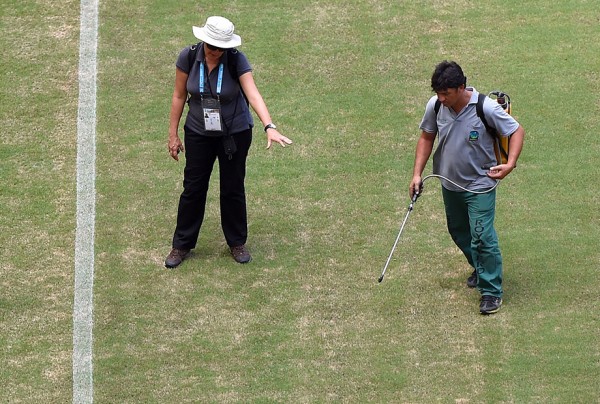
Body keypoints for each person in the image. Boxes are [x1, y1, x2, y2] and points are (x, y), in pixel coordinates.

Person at [165, 16, 292, 268]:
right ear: (204, 42)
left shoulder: (236, 59)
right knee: (193, 188)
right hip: (198, 132)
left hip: (233, 133)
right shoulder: (188, 57)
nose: (216, 52)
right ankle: (181, 245)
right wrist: (173, 135)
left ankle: (237, 242)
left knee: (233, 187)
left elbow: (253, 93)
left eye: (221, 48)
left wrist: (269, 125)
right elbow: (179, 95)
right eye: (212, 47)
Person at [409, 61, 524, 314]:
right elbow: (426, 137)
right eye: (437, 93)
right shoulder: (436, 106)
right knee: (459, 232)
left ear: (461, 87)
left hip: (480, 185)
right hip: (449, 184)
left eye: (446, 93)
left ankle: (491, 291)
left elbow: (516, 131)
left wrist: (511, 164)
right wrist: (417, 174)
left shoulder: (486, 108)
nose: (441, 98)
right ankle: (481, 266)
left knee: (482, 236)